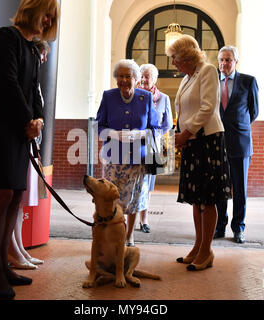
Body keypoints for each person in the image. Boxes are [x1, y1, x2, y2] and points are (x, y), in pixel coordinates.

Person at [0, 0, 60, 299]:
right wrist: (28, 120)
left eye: (53, 16)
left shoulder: (34, 49)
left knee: (16, 195)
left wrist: (36, 120)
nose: (49, 19)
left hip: (19, 128)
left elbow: (34, 91)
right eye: (47, 12)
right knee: (1, 194)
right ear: (32, 9)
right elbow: (6, 82)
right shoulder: (5, 37)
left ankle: (3, 265)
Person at [166, 35, 232, 271]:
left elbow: (208, 107)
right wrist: (179, 133)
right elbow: (182, 110)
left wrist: (186, 133)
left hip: (208, 140)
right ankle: (197, 246)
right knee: (196, 198)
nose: (173, 63)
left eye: (174, 58)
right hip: (192, 142)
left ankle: (207, 251)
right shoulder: (187, 77)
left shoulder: (207, 71)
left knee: (208, 198)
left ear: (186, 56)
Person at [96, 59, 160, 247]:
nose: (124, 80)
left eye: (128, 76)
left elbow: (155, 128)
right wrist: (114, 134)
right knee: (112, 199)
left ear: (136, 78)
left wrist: (139, 134)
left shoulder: (145, 98)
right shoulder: (108, 96)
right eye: (120, 76)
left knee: (134, 199)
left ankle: (129, 235)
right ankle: (112, 234)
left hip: (137, 159)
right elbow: (99, 127)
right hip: (113, 158)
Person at [7, 39, 50, 270]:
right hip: (20, 141)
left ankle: (20, 248)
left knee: (19, 202)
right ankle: (12, 251)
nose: (42, 61)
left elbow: (38, 108)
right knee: (12, 199)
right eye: (41, 56)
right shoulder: (22, 79)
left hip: (31, 145)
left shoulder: (35, 82)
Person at [214, 46, 259, 244]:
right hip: (216, 142)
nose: (224, 63)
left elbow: (254, 111)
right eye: (221, 60)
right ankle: (219, 226)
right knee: (219, 187)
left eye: (228, 60)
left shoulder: (248, 81)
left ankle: (238, 228)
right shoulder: (212, 81)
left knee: (239, 189)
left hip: (240, 143)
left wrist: (239, 126)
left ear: (236, 62)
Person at [137, 64, 173, 233]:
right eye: (142, 76)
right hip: (134, 143)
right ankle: (127, 217)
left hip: (152, 145)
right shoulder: (133, 95)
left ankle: (144, 220)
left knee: (148, 184)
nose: (144, 79)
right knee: (132, 180)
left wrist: (155, 135)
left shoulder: (163, 99)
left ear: (154, 80)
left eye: (148, 76)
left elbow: (167, 124)